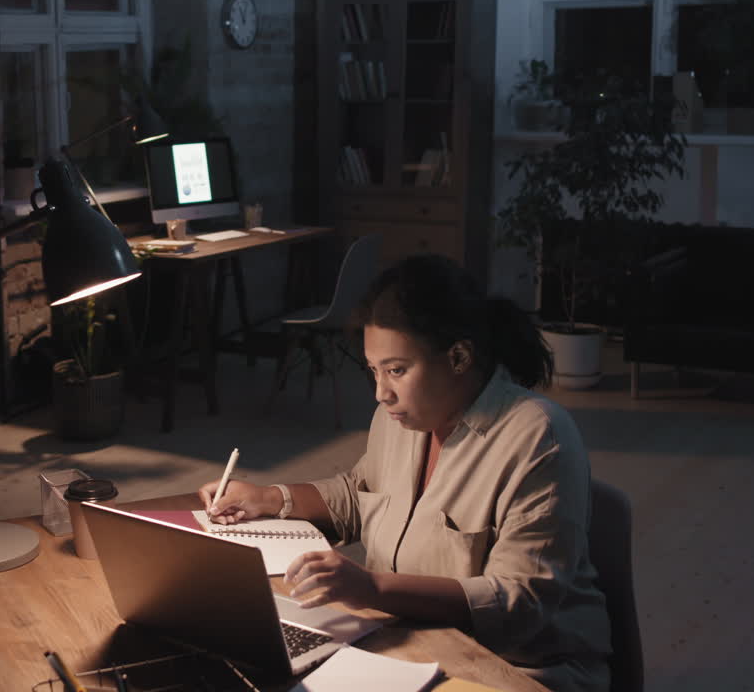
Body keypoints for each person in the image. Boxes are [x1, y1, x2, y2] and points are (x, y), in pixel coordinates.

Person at [198, 255, 611, 692]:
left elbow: (520, 604)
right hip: (411, 644)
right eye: (374, 371)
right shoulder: (402, 418)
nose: (382, 393)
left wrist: (374, 588)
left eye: (396, 370)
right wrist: (270, 497)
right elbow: (361, 496)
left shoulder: (538, 436)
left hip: (519, 670)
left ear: (458, 356)